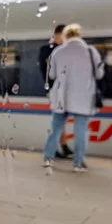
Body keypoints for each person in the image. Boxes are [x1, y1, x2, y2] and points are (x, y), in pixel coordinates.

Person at [43, 24, 104, 172]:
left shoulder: (58, 52)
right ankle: (78, 163)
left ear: (65, 36)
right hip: (83, 97)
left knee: (56, 128)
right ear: (79, 36)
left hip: (61, 97)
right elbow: (99, 74)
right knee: (81, 130)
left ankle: (48, 159)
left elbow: (51, 75)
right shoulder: (91, 51)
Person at [39, 24, 73, 159]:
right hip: (55, 90)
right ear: (57, 35)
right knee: (58, 120)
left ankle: (62, 146)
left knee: (60, 120)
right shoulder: (47, 50)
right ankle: (54, 149)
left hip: (65, 90)